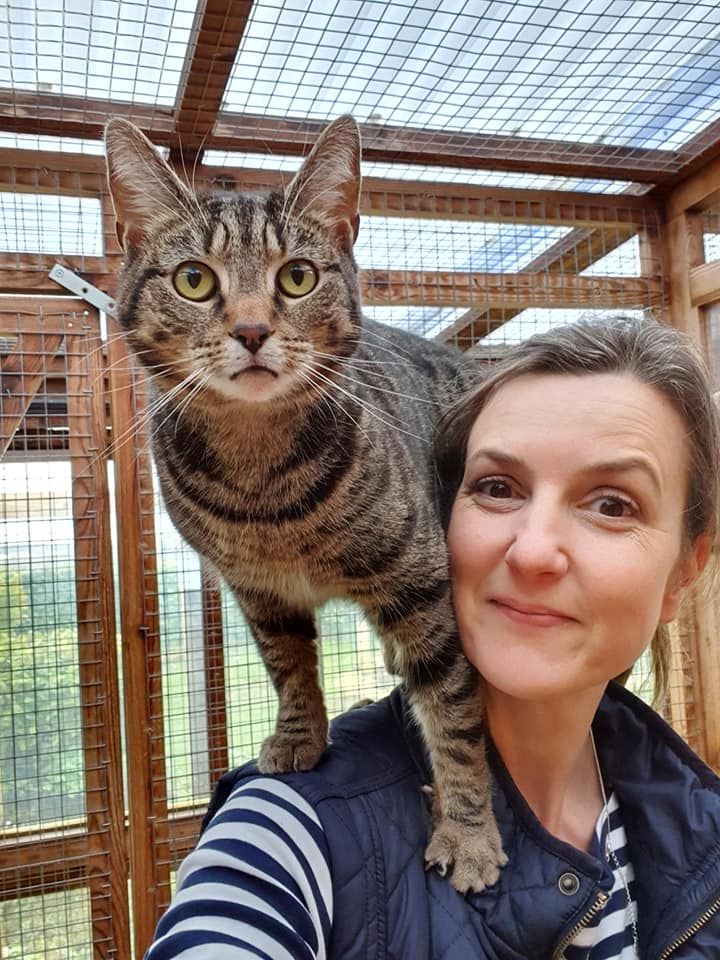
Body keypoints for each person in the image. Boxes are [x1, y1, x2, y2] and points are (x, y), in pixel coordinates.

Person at [145, 316, 720, 960]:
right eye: (496, 488)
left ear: (683, 573)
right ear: (444, 513)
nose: (533, 552)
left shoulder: (702, 822)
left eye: (612, 503)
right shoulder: (291, 825)